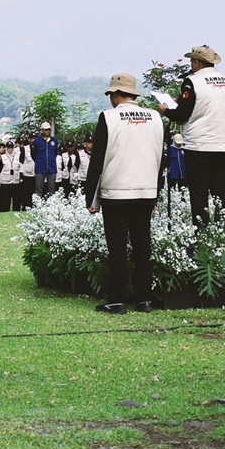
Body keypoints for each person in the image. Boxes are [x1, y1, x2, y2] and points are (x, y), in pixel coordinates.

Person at [88, 73, 164, 315]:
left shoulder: (108, 117)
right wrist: (156, 193)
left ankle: (118, 299)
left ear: (115, 94)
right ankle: (144, 299)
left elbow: (97, 159)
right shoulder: (154, 117)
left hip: (116, 191)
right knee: (143, 245)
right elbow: (160, 158)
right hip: (146, 190)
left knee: (117, 246)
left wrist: (91, 196)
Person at [159, 45, 225, 227]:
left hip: (198, 144)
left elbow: (182, 114)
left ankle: (201, 229)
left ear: (196, 62)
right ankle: (224, 226)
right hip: (222, 143)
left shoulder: (192, 82)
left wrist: (166, 111)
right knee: (219, 187)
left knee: (198, 190)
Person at [31, 122, 59, 199]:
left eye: (49, 130)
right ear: (42, 130)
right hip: (40, 168)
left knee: (52, 189)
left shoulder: (54, 141)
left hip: (51, 168)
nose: (48, 131)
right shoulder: (37, 141)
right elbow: (33, 154)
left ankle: (52, 206)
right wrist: (39, 161)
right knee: (38, 189)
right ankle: (38, 205)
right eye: (46, 130)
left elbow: (55, 153)